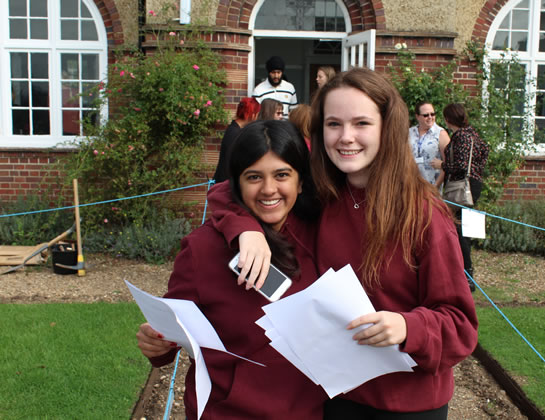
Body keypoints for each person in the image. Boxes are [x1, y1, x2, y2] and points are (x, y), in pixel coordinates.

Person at [208, 68, 478, 419]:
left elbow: (461, 325)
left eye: (361, 123)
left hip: (407, 404)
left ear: (386, 127)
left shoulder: (424, 214)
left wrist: (409, 327)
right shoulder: (323, 195)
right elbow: (225, 193)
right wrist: (247, 229)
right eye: (334, 124)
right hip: (334, 396)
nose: (346, 137)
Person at [135, 120, 325, 419]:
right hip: (228, 412)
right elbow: (172, 330)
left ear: (301, 181)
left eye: (282, 175)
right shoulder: (202, 249)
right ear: (237, 182)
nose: (268, 189)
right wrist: (157, 343)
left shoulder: (321, 235)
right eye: (254, 177)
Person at [431, 103, 489, 291]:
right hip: (473, 184)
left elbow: (462, 166)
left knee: (459, 229)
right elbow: (484, 153)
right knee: (462, 229)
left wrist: (442, 165)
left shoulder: (462, 137)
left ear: (448, 119)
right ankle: (465, 274)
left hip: (463, 187)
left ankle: (467, 276)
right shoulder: (473, 134)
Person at [214, 97, 260, 183]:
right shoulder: (234, 134)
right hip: (225, 184)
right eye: (257, 114)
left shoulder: (235, 129)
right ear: (252, 114)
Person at [409, 101, 450, 187]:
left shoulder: (440, 134)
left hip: (431, 185)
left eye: (432, 114)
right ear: (417, 116)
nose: (430, 117)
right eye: (426, 115)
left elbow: (447, 163)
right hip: (410, 185)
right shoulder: (410, 132)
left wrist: (435, 186)